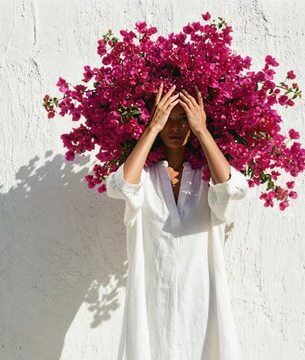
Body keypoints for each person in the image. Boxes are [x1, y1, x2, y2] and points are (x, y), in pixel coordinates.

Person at [106, 83, 249, 360]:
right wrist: (152, 127)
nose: (174, 127)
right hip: (152, 295)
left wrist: (201, 129)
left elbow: (232, 188)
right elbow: (122, 185)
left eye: (182, 119)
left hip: (200, 295)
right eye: (168, 119)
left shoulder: (206, 176)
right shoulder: (146, 176)